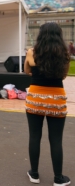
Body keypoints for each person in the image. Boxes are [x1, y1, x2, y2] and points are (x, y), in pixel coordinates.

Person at [24, 22, 71, 186]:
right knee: (56, 140)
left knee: (35, 136)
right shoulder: (64, 54)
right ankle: (58, 178)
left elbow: (27, 71)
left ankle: (34, 174)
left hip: (35, 99)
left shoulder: (32, 52)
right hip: (56, 99)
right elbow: (64, 75)